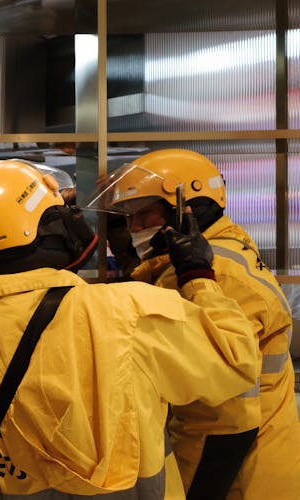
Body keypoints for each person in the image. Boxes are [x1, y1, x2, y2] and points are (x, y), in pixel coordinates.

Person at [0, 158, 258, 499]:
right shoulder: (126, 312)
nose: (74, 219)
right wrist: (197, 276)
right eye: (65, 210)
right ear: (31, 227)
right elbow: (236, 359)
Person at [84, 148, 300, 500]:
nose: (135, 227)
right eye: (128, 217)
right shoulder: (210, 250)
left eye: (144, 214)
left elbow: (224, 422)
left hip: (238, 479)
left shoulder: (214, 275)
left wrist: (189, 491)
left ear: (187, 209)